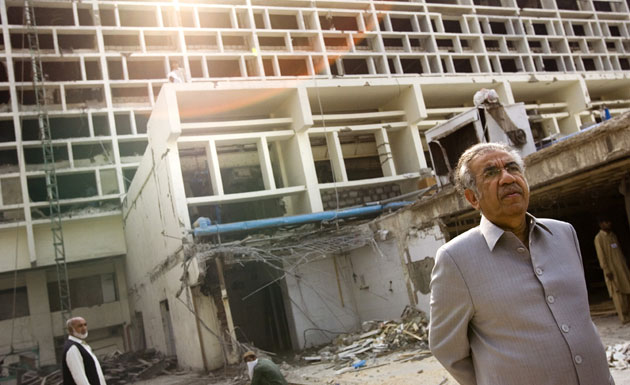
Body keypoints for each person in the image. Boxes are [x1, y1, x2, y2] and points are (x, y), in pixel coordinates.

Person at [429, 142, 613, 385]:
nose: (507, 178)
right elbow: (446, 348)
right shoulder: (456, 258)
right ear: (473, 198)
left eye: (512, 168)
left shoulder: (564, 234)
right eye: (491, 173)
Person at [594, 216, 630, 323]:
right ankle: (623, 317)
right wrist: (606, 270)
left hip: (622, 268)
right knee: (617, 293)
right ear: (601, 224)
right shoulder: (599, 238)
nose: (609, 224)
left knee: (626, 291)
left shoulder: (613, 235)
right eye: (606, 222)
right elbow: (601, 256)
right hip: (612, 270)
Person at [62, 317, 107, 385]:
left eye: (85, 325)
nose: (84, 328)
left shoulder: (82, 345)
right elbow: (80, 378)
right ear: (71, 330)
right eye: (80, 326)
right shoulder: (73, 348)